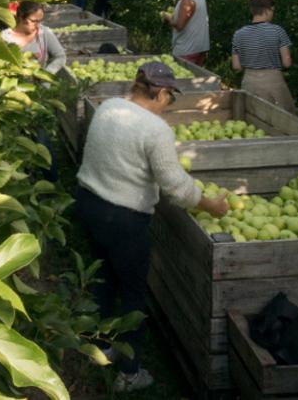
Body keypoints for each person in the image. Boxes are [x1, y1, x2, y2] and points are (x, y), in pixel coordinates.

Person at [75, 62, 230, 392]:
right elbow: (177, 188)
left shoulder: (109, 107)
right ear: (160, 92)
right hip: (123, 218)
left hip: (90, 202)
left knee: (103, 277)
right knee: (133, 293)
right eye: (170, 98)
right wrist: (212, 205)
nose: (169, 105)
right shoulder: (155, 129)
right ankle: (129, 372)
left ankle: (100, 347)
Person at [231, 0, 295, 109]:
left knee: (253, 121)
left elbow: (236, 66)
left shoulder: (238, 34)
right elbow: (287, 63)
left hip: (249, 83)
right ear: (267, 10)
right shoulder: (278, 31)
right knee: (281, 121)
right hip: (273, 83)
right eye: (272, 10)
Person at [1, 0, 66, 74]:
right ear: (22, 17)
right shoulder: (5, 37)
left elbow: (60, 56)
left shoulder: (44, 32)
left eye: (40, 21)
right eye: (34, 21)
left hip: (41, 83)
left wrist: (47, 73)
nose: (38, 25)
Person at [162, 0, 210, 65]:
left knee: (183, 78)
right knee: (196, 76)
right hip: (200, 47)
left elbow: (179, 25)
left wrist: (168, 18)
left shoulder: (187, 0)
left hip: (186, 49)